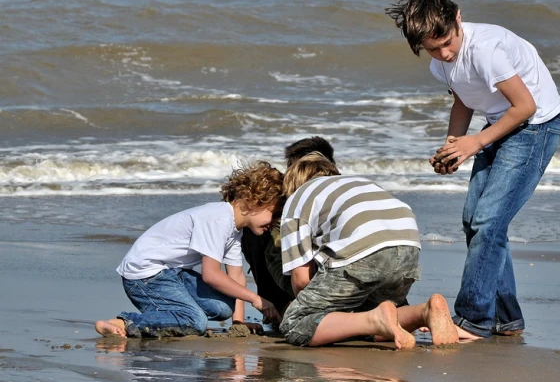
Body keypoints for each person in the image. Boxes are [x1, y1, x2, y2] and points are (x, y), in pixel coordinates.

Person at [386, 0, 560, 339]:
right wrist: (453, 145)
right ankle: (506, 318)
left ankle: (472, 320)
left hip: (535, 127)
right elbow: (463, 99)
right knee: (475, 221)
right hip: (498, 123)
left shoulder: (485, 49)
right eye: (433, 50)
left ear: (458, 18)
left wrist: (475, 143)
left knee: (488, 221)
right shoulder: (441, 65)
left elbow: (526, 107)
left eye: (448, 43)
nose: (445, 55)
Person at [277, 152, 459, 349]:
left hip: (363, 249)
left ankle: (375, 319)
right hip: (408, 243)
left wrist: (311, 308)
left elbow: (301, 279)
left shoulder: (297, 199)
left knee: (295, 323)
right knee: (377, 315)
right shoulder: (358, 183)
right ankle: (424, 312)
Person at [94, 161, 285, 338]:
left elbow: (236, 276)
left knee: (223, 308)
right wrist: (256, 299)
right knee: (196, 322)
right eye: (274, 214)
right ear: (253, 200)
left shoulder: (235, 229)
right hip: (145, 275)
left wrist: (239, 323)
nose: (275, 221)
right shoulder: (217, 219)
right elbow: (211, 275)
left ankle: (173, 314)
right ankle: (122, 323)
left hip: (173, 272)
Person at [240, 136, 336, 322]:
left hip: (315, 282)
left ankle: (282, 307)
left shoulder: (296, 199)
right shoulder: (349, 191)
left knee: (257, 231)